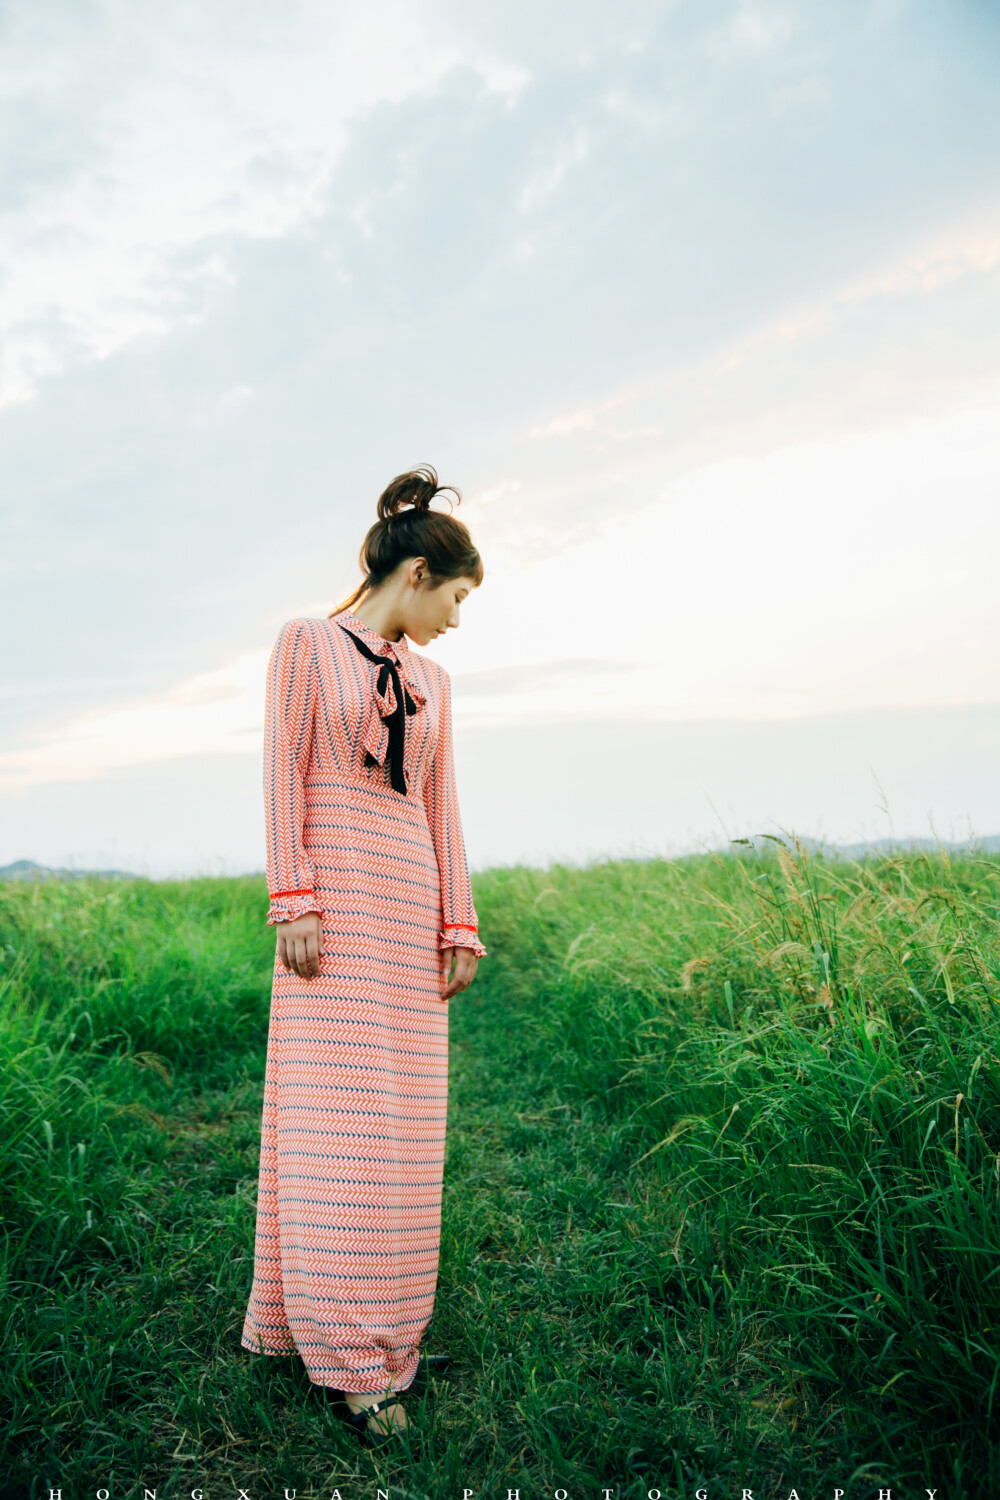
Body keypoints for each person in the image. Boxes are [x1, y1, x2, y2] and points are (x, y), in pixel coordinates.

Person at [240, 466, 487, 1446]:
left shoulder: (435, 682)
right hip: (334, 906)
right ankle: (348, 1357)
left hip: (408, 899)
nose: (457, 624)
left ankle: (381, 1322)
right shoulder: (305, 643)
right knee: (336, 1126)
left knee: (401, 1132)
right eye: (456, 600)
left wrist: (457, 921)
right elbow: (280, 771)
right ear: (417, 573)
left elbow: (441, 805)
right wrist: (290, 896)